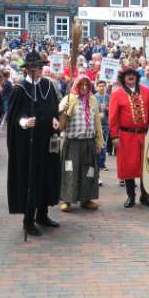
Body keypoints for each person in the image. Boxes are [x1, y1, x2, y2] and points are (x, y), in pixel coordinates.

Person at [6, 51, 62, 236]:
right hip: (29, 145)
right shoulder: (20, 89)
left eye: (38, 68)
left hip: (47, 141)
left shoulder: (47, 85)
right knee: (31, 179)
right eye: (32, 69)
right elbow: (13, 117)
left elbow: (54, 108)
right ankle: (28, 220)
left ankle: (43, 214)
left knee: (47, 177)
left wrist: (55, 119)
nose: (36, 72)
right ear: (26, 70)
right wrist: (23, 122)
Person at [109, 66, 149, 208]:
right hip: (126, 136)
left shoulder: (146, 91)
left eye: (133, 74)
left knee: (147, 165)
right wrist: (114, 136)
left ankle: (145, 196)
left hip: (145, 135)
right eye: (127, 75)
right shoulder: (117, 94)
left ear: (137, 76)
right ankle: (131, 196)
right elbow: (113, 118)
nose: (130, 77)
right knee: (128, 167)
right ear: (123, 78)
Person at [58, 76, 104, 212]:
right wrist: (63, 111)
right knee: (70, 170)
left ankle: (86, 199)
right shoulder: (68, 99)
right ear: (76, 85)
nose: (84, 87)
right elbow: (60, 125)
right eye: (81, 84)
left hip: (89, 142)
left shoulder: (93, 100)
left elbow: (97, 122)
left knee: (88, 171)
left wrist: (98, 141)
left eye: (87, 85)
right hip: (73, 142)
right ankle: (67, 200)